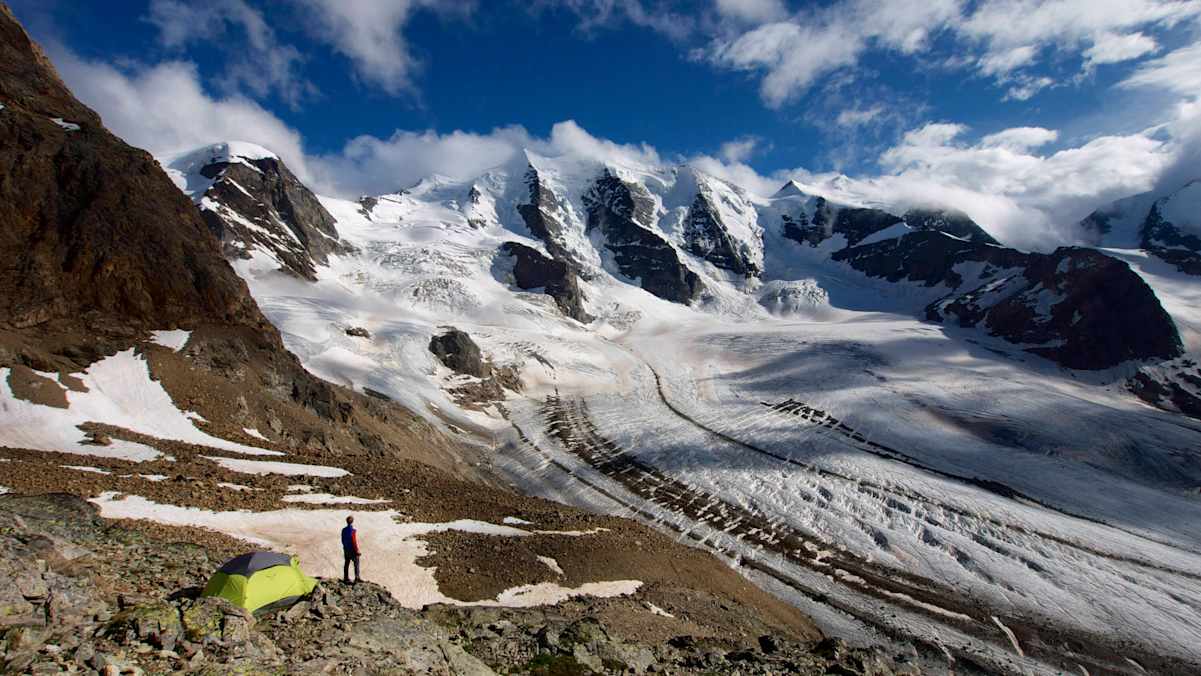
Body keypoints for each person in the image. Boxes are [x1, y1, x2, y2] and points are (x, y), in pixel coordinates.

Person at [341, 515, 361, 584]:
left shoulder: (343, 530)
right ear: (352, 522)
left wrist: (345, 547)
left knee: (346, 563)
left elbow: (342, 540)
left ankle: (345, 577)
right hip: (352, 550)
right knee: (356, 562)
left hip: (346, 549)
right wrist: (357, 551)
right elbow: (354, 541)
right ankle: (357, 577)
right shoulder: (353, 531)